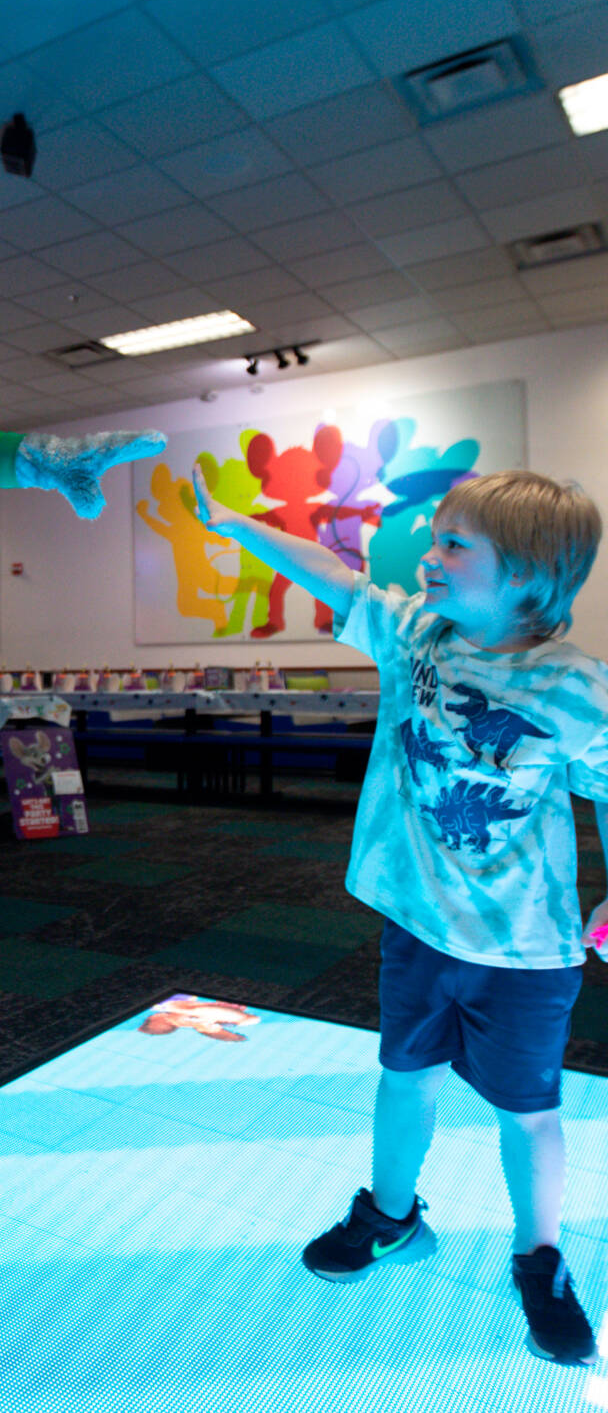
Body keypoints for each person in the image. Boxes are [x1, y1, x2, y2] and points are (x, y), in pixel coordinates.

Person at [193, 462, 608, 1368]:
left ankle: (540, 1258)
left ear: (530, 575)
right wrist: (236, 525)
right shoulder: (415, 635)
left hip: (524, 949)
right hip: (418, 925)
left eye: (455, 543)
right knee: (404, 1077)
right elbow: (334, 579)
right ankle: (390, 1216)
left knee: (528, 1111)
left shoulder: (578, 687)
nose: (429, 554)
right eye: (434, 536)